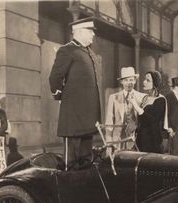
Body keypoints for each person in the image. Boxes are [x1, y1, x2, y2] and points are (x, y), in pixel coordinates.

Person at [49, 17, 101, 168]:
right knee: (71, 163)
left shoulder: (89, 53)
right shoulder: (67, 50)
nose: (93, 35)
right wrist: (61, 97)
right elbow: (55, 77)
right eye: (90, 31)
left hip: (88, 117)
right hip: (73, 117)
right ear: (79, 32)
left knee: (86, 160)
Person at [105, 67, 145, 149]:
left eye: (131, 80)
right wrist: (108, 144)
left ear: (135, 80)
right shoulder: (113, 98)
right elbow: (109, 123)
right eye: (126, 80)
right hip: (117, 141)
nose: (128, 83)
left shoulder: (142, 97)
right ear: (121, 82)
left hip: (135, 141)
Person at [129, 71, 168, 153]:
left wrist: (135, 105)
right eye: (144, 79)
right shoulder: (145, 98)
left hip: (152, 140)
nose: (144, 82)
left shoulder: (160, 100)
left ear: (155, 83)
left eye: (148, 80)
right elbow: (141, 120)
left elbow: (152, 121)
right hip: (141, 139)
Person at [165, 76, 178, 155]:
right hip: (173, 127)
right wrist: (169, 127)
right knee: (174, 149)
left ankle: (176, 166)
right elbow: (167, 113)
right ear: (176, 87)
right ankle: (173, 167)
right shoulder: (169, 97)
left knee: (177, 148)